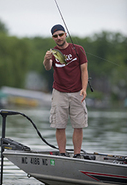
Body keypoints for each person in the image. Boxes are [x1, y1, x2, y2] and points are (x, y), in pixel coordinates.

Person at [43, 24, 88, 158]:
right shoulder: (52, 52)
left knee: (78, 125)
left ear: (65, 34)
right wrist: (46, 59)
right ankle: (62, 153)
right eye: (55, 36)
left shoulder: (78, 49)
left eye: (61, 34)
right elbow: (47, 67)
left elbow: (84, 70)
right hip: (59, 92)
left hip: (77, 92)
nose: (59, 37)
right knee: (59, 125)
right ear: (53, 37)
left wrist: (84, 89)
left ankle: (77, 154)